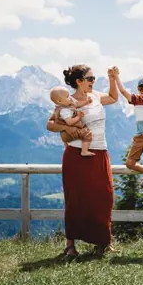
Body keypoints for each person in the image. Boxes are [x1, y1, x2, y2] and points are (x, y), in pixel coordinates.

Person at [46, 64, 119, 257]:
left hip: (100, 151)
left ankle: (103, 241)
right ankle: (70, 246)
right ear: (79, 81)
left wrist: (112, 78)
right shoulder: (67, 102)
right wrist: (68, 129)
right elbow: (50, 124)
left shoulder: (96, 96)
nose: (93, 82)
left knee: (105, 196)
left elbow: (113, 97)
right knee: (75, 199)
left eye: (94, 78)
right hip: (76, 154)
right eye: (90, 79)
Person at [49, 87, 94, 156]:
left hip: (66, 134)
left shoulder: (68, 105)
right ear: (60, 101)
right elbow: (69, 122)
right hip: (70, 132)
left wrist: (86, 102)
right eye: (67, 97)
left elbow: (77, 104)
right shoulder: (64, 111)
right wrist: (78, 117)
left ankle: (67, 147)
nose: (70, 97)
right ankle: (84, 151)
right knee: (87, 134)